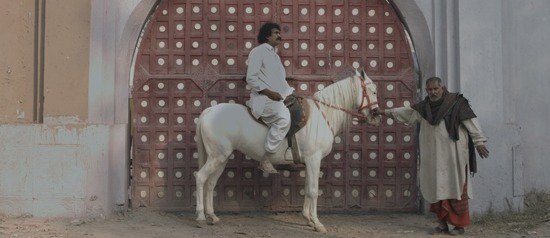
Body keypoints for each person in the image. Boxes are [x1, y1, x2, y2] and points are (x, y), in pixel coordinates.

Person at [373, 77, 490, 235]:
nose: (433, 92)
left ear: (443, 88)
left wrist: (479, 142)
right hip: (434, 157)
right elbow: (406, 113)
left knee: (456, 188)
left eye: (436, 89)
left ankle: (459, 226)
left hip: (454, 157)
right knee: (437, 187)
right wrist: (383, 112)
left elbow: (471, 122)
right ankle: (443, 224)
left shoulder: (457, 103)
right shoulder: (423, 108)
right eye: (429, 90)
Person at [245, 22, 294, 174]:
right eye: (275, 33)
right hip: (263, 99)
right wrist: (268, 92)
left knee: (298, 113)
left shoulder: (275, 55)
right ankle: (266, 159)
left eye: (280, 33)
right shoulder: (258, 51)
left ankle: (285, 156)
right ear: (267, 36)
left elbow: (280, 82)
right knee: (284, 119)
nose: (279, 35)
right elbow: (251, 78)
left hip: (277, 99)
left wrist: (290, 93)